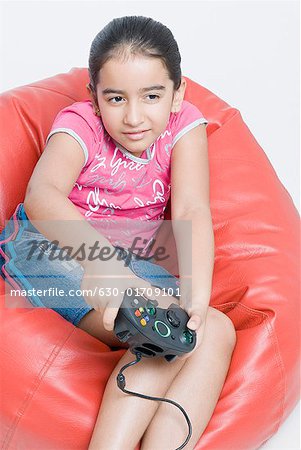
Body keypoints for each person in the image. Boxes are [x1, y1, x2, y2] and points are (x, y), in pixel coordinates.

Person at [0, 15, 236, 450]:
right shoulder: (80, 124)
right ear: (93, 98)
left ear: (177, 94)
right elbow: (42, 194)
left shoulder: (186, 125)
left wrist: (196, 302)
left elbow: (191, 209)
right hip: (54, 247)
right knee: (159, 336)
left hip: (139, 262)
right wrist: (100, 260)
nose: (133, 117)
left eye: (151, 96)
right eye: (115, 98)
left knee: (212, 330)